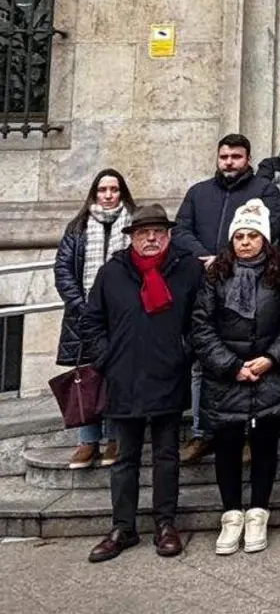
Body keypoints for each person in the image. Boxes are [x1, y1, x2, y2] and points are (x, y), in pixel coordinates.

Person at [80, 204, 205, 563]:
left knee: (167, 456)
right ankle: (123, 527)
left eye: (158, 232)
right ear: (132, 237)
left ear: (167, 235)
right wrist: (105, 357)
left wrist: (185, 352)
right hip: (124, 376)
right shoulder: (112, 273)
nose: (151, 238)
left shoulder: (187, 270)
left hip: (168, 373)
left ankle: (166, 523)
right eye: (143, 233)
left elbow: (201, 317)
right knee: (125, 458)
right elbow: (91, 321)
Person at [190, 199, 280, 555]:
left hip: (269, 373)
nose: (246, 242)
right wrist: (231, 364)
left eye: (253, 236)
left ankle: (258, 512)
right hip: (227, 377)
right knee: (228, 447)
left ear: (264, 239)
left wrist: (270, 358)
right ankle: (231, 513)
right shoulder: (215, 275)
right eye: (240, 236)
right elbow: (201, 325)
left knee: (266, 445)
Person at [173, 133, 280, 463]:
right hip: (206, 285)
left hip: (254, 288)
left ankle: (250, 433)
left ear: (247, 158)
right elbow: (180, 230)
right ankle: (201, 432)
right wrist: (208, 257)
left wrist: (228, 258)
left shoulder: (264, 190)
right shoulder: (198, 192)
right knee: (203, 361)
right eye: (224, 156)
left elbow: (270, 228)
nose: (229, 162)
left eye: (236, 156)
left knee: (251, 361)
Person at [55, 168, 136, 469]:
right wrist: (80, 306)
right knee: (86, 378)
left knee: (116, 378)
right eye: (102, 190)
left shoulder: (134, 224)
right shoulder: (77, 227)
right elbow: (63, 270)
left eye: (114, 190)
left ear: (121, 192)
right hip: (84, 317)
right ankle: (87, 441)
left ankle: (114, 439)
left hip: (121, 317)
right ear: (94, 193)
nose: (108, 195)